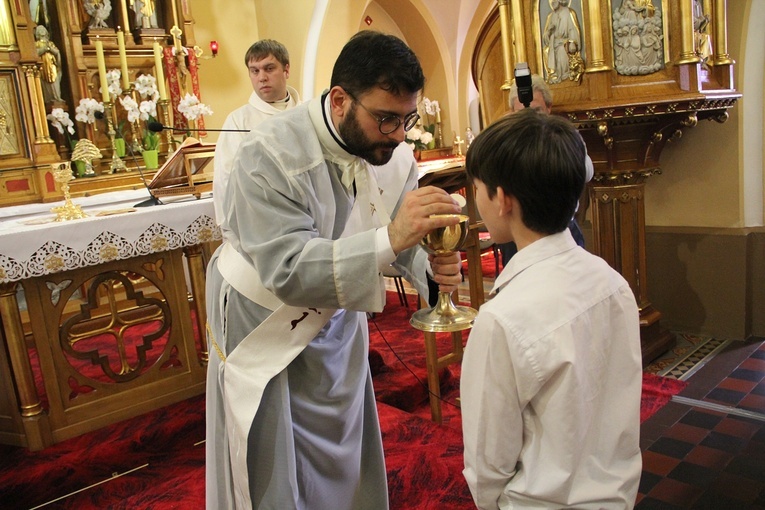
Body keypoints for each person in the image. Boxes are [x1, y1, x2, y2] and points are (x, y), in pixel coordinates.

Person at [205, 31, 463, 509]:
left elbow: (389, 225)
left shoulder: (392, 151)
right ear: (340, 100)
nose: (399, 135)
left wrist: (430, 269)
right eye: (386, 119)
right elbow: (287, 268)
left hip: (340, 314)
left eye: (408, 119)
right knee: (278, 464)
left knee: (343, 448)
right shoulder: (269, 154)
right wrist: (394, 237)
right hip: (264, 319)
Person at [460, 108, 642, 509]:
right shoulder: (613, 283)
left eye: (476, 188)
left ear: (503, 198)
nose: (476, 199)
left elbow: (488, 460)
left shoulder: (501, 319)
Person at [497, 74, 594, 266]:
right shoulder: (505, 142)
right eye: (522, 113)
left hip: (562, 229)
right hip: (518, 233)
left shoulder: (563, 136)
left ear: (549, 108)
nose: (530, 119)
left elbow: (587, 172)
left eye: (537, 111)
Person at [212, 39, 301, 237]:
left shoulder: (307, 114)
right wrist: (230, 229)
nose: (262, 77)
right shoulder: (238, 121)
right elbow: (225, 178)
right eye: (255, 71)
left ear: (286, 70)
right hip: (260, 225)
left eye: (269, 68)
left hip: (309, 219)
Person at [542, 0, 582, 83]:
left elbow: (573, 30)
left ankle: (564, 75)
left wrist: (572, 42)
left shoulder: (568, 13)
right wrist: (549, 31)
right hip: (553, 44)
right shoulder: (551, 16)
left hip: (564, 44)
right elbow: (545, 37)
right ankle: (554, 75)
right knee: (546, 51)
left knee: (561, 51)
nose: (552, 2)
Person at [34, 25, 63, 104]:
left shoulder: (50, 43)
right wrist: (45, 49)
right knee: (46, 84)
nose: (42, 31)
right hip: (43, 66)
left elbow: (57, 52)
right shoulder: (37, 44)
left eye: (43, 29)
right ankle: (49, 98)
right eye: (40, 30)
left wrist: (50, 48)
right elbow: (36, 53)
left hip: (52, 65)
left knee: (55, 82)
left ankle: (57, 97)